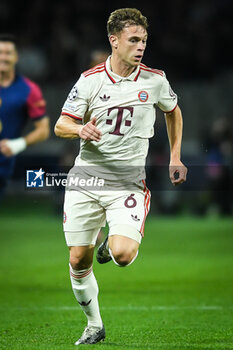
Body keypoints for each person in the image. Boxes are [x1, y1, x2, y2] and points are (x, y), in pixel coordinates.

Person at [55, 8, 187, 346]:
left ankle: (110, 246)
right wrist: (79, 127)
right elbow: (61, 124)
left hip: (126, 182)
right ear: (114, 41)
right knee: (76, 258)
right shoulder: (90, 80)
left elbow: (173, 112)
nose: (140, 46)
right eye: (133, 40)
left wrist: (175, 156)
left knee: (124, 255)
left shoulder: (155, 80)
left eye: (143, 40)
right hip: (86, 179)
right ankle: (94, 325)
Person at [0, 34, 50, 201]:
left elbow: (43, 130)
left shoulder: (29, 89)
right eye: (0, 52)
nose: (3, 57)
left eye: (8, 53)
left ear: (16, 57)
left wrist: (17, 144)